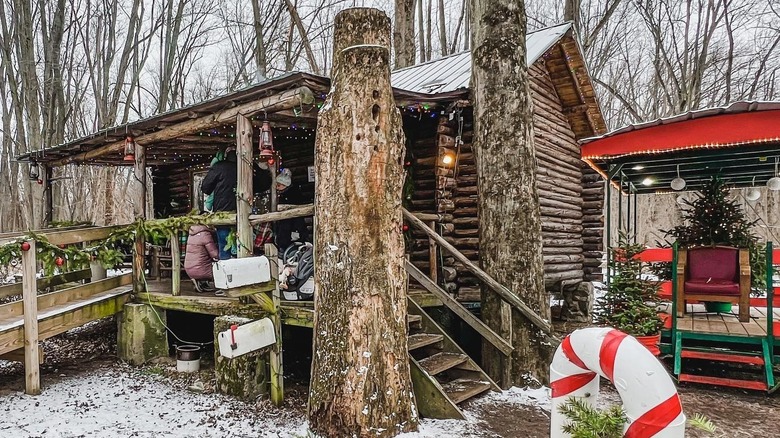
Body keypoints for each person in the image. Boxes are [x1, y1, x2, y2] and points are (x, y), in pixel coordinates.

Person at [274, 168, 310, 253]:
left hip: (292, 226)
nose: (277, 187)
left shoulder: (292, 194)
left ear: (285, 185)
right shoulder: (286, 194)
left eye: (279, 185)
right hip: (289, 226)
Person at [183, 225, 219, 294]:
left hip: (188, 268)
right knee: (219, 267)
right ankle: (205, 282)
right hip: (201, 269)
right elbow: (214, 254)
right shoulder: (205, 234)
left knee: (202, 260)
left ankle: (201, 282)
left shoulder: (191, 234)